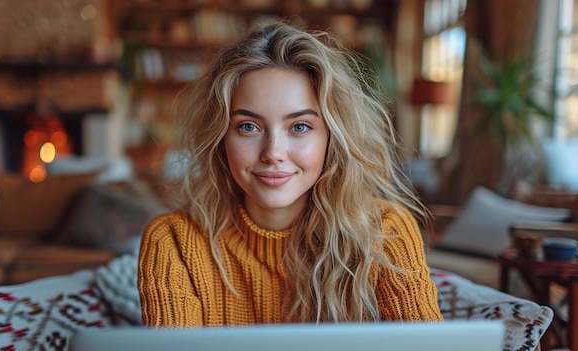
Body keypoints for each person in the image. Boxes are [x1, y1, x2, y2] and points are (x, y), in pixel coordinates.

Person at [138, 20, 443, 327]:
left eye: (299, 127)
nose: (273, 152)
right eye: (248, 126)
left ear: (332, 138)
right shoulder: (173, 242)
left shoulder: (385, 232)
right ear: (221, 138)